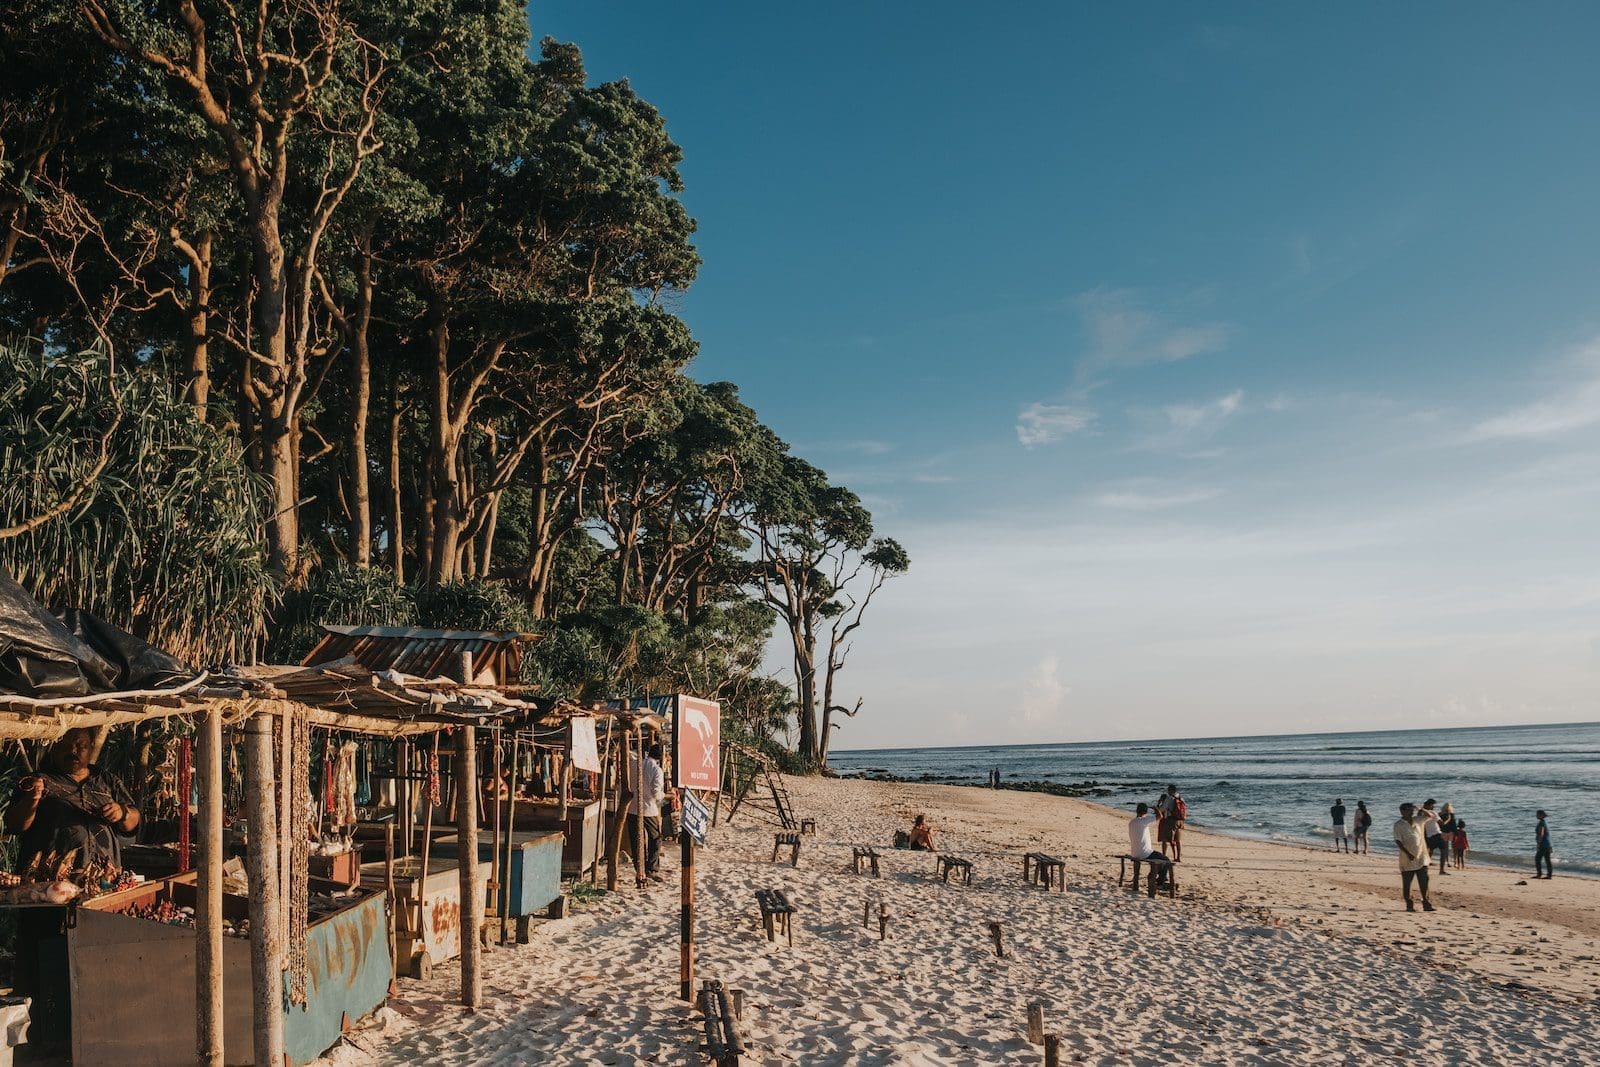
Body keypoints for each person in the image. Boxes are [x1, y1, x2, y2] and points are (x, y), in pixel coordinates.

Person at [4, 727, 140, 871]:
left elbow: (133, 823)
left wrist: (123, 813)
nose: (73, 751)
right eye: (65, 746)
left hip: (103, 876)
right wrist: (31, 800)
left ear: (92, 747)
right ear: (54, 747)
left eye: (81, 745)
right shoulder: (37, 781)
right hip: (51, 881)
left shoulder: (108, 780)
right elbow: (15, 825)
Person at [625, 741, 665, 881]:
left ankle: (639, 869)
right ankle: (651, 868)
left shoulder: (634, 764)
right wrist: (664, 795)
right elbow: (655, 792)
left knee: (637, 840)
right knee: (655, 838)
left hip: (632, 807)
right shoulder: (656, 770)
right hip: (648, 809)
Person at [1393, 803, 1434, 912]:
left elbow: (1430, 816)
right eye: (1409, 810)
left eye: (1412, 810)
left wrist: (1421, 808)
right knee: (1407, 883)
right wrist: (1407, 853)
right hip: (1407, 859)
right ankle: (1409, 905)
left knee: (1424, 881)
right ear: (1402, 811)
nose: (1412, 813)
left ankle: (1426, 903)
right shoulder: (1398, 825)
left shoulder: (1418, 820)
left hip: (1421, 856)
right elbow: (1398, 841)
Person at [1127, 802, 1170, 895]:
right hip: (1145, 853)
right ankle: (1159, 882)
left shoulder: (1132, 822)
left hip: (1135, 852)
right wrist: (1155, 808)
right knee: (1166, 860)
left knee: (1160, 859)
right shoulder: (1143, 820)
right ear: (1145, 812)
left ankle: (1158, 878)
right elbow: (1160, 816)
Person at [1156, 784, 1186, 862]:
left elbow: (1162, 809)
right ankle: (1178, 857)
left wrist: (1158, 805)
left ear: (1170, 790)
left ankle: (1164, 856)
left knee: (1165, 839)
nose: (1167, 791)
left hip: (1171, 820)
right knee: (1178, 840)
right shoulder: (1181, 797)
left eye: (1168, 790)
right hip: (1180, 821)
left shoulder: (1169, 798)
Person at [1419, 799, 1445, 873]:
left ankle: (1425, 868)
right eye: (1433, 805)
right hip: (1437, 834)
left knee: (1429, 851)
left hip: (1428, 835)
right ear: (1430, 805)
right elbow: (1441, 823)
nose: (1434, 807)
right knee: (1443, 851)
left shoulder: (1420, 814)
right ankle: (1441, 870)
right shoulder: (1433, 813)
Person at [1436, 803, 1457, 874]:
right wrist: (1456, 833)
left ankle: (1448, 861)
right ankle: (1451, 861)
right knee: (1448, 848)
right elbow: (1454, 824)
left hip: (1443, 832)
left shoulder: (1440, 814)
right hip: (1449, 832)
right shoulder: (1451, 815)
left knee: (1446, 848)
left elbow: (1438, 824)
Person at [1535, 810, 1554, 879]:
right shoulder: (1543, 822)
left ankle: (1539, 874)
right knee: (1547, 860)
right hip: (1548, 844)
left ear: (1540, 815)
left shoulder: (1541, 823)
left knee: (1537, 859)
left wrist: (1538, 843)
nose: (1536, 815)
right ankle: (1549, 875)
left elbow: (1541, 833)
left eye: (1537, 814)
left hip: (1543, 844)